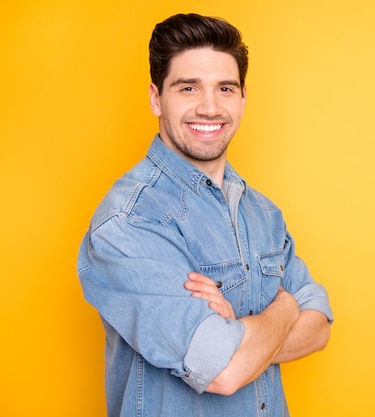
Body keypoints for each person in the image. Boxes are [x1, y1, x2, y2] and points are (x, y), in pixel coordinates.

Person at [77, 13, 333, 417]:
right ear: (156, 98)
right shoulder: (129, 222)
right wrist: (284, 307)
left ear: (243, 98)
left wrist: (240, 333)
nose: (210, 107)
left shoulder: (263, 213)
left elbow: (319, 329)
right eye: (189, 87)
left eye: (225, 88)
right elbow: (225, 371)